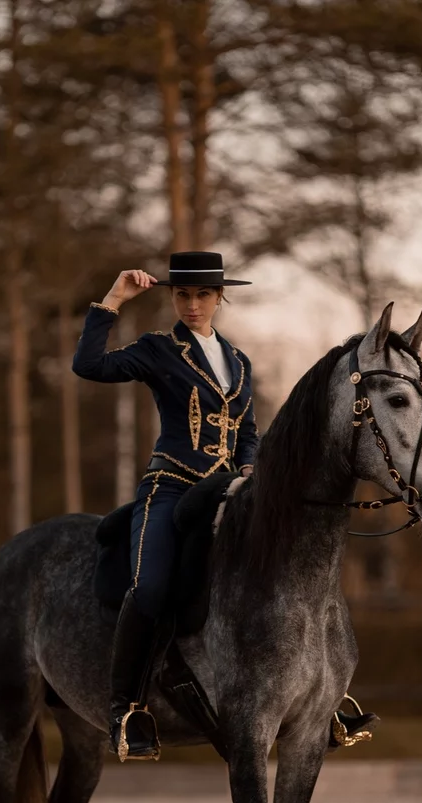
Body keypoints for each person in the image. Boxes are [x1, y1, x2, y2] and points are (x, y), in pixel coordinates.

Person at [73, 250, 376, 760]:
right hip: (170, 488)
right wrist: (113, 301)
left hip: (225, 492)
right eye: (183, 294)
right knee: (149, 588)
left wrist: (252, 467)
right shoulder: (157, 349)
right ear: (174, 297)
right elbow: (89, 365)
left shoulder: (239, 361)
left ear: (219, 298)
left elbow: (249, 431)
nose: (193, 304)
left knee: (291, 570)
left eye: (203, 295)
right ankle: (127, 709)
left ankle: (323, 693)